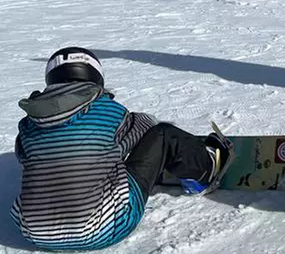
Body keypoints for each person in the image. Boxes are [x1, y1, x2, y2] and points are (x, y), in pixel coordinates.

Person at [10, 47, 231, 251]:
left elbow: (23, 156)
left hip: (35, 234)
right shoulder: (107, 110)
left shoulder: (29, 124)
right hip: (105, 229)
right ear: (95, 76)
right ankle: (204, 172)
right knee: (164, 135)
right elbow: (144, 129)